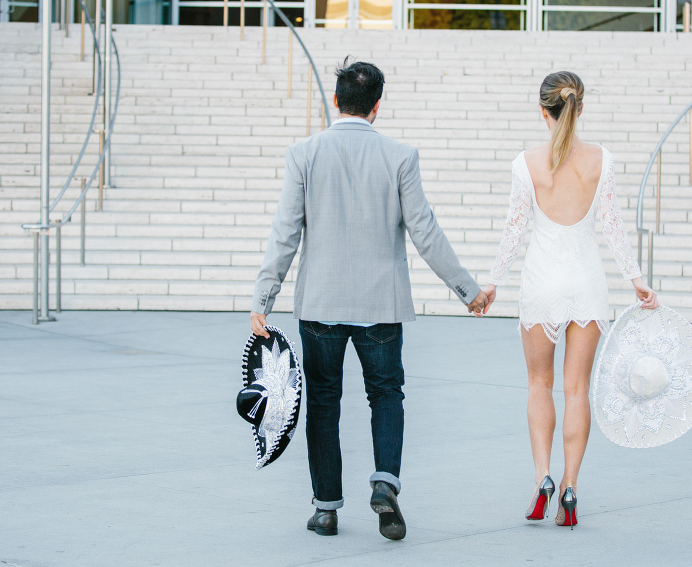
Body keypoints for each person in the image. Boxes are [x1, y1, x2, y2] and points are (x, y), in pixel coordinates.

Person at [251, 59, 489, 540]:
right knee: (386, 394)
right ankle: (384, 482)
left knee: (322, 402)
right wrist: (468, 290)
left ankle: (326, 509)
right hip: (381, 304)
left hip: (320, 304)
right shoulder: (400, 156)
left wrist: (264, 297)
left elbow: (285, 233)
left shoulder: (304, 153)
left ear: (336, 101)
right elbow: (424, 231)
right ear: (377, 106)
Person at [482, 71, 658, 528]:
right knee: (577, 389)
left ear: (544, 111)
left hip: (541, 283)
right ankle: (570, 486)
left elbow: (514, 230)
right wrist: (636, 279)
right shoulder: (603, 160)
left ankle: (541, 477)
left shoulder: (526, 163)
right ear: (580, 108)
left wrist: (492, 282)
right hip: (587, 284)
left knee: (539, 384)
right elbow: (614, 226)